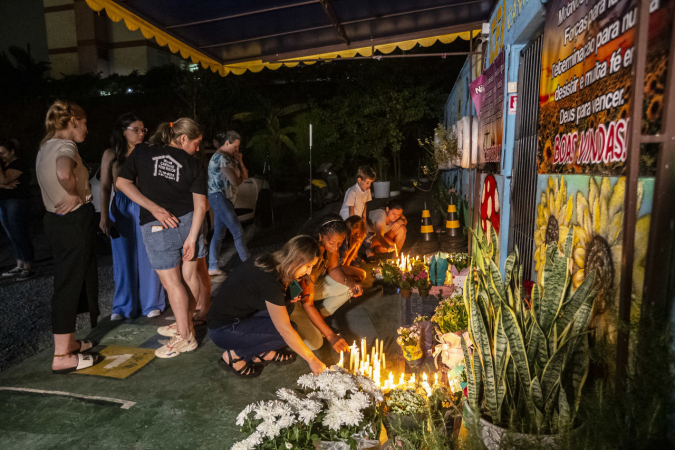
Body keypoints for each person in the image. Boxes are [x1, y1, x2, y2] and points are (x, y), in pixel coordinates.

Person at [116, 118, 208, 359]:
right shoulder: (194, 163)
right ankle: (183, 325)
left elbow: (122, 183)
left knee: (173, 284)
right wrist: (191, 237)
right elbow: (201, 206)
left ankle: (185, 337)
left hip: (158, 224)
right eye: (196, 143)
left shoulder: (142, 151)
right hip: (190, 223)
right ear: (183, 138)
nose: (197, 149)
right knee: (189, 277)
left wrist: (153, 208)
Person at [36, 100, 102, 374]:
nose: (86, 128)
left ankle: (70, 342)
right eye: (84, 122)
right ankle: (62, 355)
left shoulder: (45, 146)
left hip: (57, 221)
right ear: (73, 120)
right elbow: (64, 173)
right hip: (72, 222)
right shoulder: (66, 146)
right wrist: (74, 193)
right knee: (68, 285)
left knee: (72, 281)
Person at [207, 235, 327, 378]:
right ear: (296, 261)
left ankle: (262, 353)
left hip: (241, 316)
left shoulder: (270, 261)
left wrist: (290, 296)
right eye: (308, 266)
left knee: (288, 308)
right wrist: (312, 359)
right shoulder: (270, 282)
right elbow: (285, 331)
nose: (308, 272)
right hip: (223, 330)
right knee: (289, 332)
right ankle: (234, 356)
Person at [100, 113, 166, 320]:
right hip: (120, 206)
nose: (141, 133)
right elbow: (104, 187)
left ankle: (152, 303)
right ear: (123, 131)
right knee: (123, 258)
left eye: (143, 130)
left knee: (149, 254)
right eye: (136, 129)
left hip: (145, 203)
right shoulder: (110, 154)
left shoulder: (148, 151)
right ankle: (122, 306)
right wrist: (103, 216)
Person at [290, 215, 359, 351]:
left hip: (312, 287)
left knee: (348, 289)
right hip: (294, 297)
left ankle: (317, 320)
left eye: (339, 244)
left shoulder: (332, 247)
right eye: (332, 243)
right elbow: (307, 303)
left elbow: (334, 269)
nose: (335, 248)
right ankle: (291, 327)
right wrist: (331, 336)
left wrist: (349, 283)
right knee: (316, 343)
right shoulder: (310, 252)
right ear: (320, 236)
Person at [207, 131, 250, 276]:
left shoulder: (228, 158)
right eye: (235, 146)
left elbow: (244, 176)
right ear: (226, 143)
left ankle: (212, 267)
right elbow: (236, 181)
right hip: (220, 197)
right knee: (238, 232)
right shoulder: (221, 158)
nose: (236, 150)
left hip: (222, 198)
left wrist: (240, 160)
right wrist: (238, 177)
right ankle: (248, 264)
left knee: (219, 233)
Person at [0, 138, 35, 279]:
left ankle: (29, 266)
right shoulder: (3, 165)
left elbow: (4, 179)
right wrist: (2, 186)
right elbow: (3, 183)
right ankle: (19, 264)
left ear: (12, 151)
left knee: (19, 233)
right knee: (11, 235)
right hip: (3, 202)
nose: (0, 156)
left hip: (17, 201)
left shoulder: (19, 163)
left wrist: (2, 184)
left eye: (2, 153)